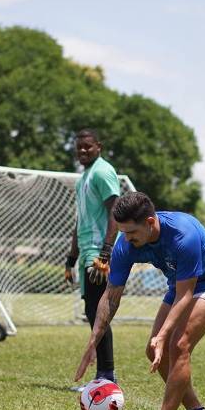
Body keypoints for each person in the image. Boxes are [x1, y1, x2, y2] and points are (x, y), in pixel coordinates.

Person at [74, 192, 205, 410]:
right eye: (123, 233)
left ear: (150, 222)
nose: (127, 239)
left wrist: (163, 335)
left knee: (179, 345)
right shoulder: (125, 244)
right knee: (154, 352)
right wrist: (94, 338)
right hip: (179, 283)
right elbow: (111, 295)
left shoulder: (183, 234)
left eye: (131, 233)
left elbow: (186, 295)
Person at [63, 129, 121, 390]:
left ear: (99, 146)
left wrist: (106, 252)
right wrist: (70, 259)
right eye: (79, 147)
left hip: (99, 252)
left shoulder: (102, 171)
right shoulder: (83, 178)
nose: (83, 151)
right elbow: (81, 221)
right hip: (86, 252)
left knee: (98, 313)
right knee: (90, 311)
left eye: (88, 146)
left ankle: (106, 375)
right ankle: (103, 373)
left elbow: (115, 212)